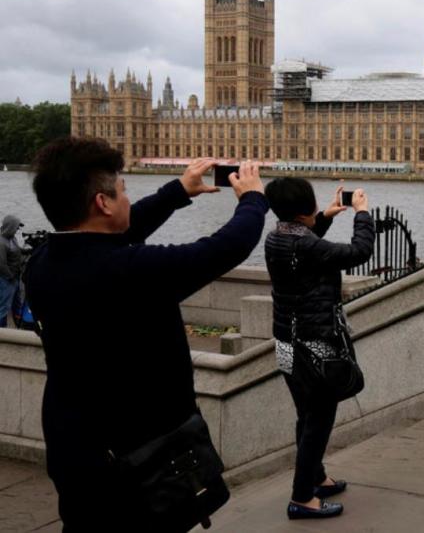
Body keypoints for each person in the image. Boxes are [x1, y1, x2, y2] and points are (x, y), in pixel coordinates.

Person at [23, 137, 268, 530]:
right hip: (138, 457)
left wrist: (176, 193)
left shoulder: (41, 263)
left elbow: (115, 231)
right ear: (102, 203)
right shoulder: (128, 272)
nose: (126, 199)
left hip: (74, 445)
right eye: (122, 191)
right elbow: (225, 247)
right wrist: (254, 198)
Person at [263, 177, 374, 520]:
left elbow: (307, 246)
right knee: (320, 418)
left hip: (285, 342)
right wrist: (362, 213)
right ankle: (302, 497)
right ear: (303, 210)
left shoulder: (275, 237)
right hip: (313, 344)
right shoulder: (306, 246)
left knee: (305, 414)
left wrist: (324, 216)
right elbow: (359, 252)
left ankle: (316, 477)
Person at [0, 214, 25, 327]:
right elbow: (1, 264)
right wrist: (10, 277)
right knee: (4, 306)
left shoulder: (12, 239)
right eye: (16, 227)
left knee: (17, 304)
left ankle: (19, 324)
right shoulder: (1, 242)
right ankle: (2, 330)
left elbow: (17, 250)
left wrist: (26, 250)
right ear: (10, 226)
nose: (17, 229)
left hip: (15, 277)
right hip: (6, 280)